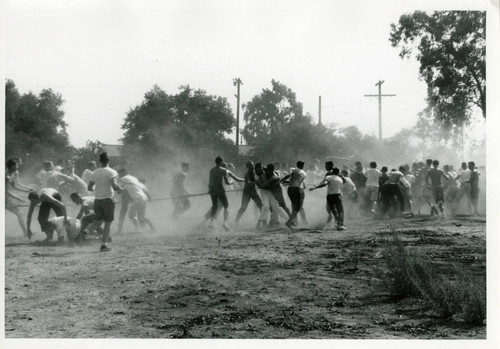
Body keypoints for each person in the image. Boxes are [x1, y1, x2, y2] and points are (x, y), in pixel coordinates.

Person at [86, 152, 122, 252]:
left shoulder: (95, 172)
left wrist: (98, 190)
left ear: (100, 161)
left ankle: (86, 231)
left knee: (98, 221)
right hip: (108, 200)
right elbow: (114, 186)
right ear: (108, 160)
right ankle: (103, 245)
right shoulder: (112, 172)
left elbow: (89, 187)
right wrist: (120, 189)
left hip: (97, 200)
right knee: (107, 224)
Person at [6, 159, 33, 239]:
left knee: (19, 213)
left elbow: (15, 186)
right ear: (11, 166)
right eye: (16, 165)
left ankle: (26, 233)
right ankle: (26, 232)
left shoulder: (14, 174)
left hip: (6, 198)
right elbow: (6, 191)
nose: (17, 166)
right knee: (19, 213)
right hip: (5, 198)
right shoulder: (6, 176)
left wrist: (27, 189)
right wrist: (19, 198)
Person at [279, 161, 307, 231]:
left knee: (294, 206)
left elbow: (288, 177)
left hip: (290, 189)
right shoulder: (304, 173)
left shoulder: (294, 170)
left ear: (297, 165)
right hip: (297, 189)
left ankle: (294, 221)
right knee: (298, 207)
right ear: (303, 166)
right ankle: (290, 222)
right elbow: (302, 185)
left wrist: (280, 181)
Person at [208, 156, 234, 230]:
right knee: (226, 206)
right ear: (221, 162)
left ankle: (211, 222)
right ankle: (225, 223)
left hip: (213, 190)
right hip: (220, 189)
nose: (223, 162)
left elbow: (210, 181)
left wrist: (209, 189)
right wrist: (231, 183)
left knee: (215, 206)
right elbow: (226, 182)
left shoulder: (212, 170)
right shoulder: (223, 170)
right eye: (222, 161)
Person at [235, 161, 263, 226]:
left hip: (254, 191)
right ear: (247, 167)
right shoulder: (247, 174)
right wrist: (257, 181)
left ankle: (261, 222)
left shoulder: (255, 172)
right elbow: (248, 184)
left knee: (261, 207)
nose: (251, 167)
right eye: (249, 166)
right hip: (247, 192)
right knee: (243, 208)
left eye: (252, 165)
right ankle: (236, 221)